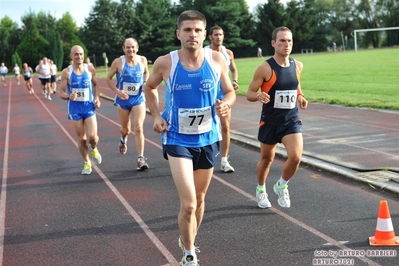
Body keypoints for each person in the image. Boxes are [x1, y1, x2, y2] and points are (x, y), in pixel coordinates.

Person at [145, 10, 236, 266]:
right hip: (177, 138)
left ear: (204, 34)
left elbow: (229, 92)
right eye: (187, 30)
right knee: (189, 204)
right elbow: (149, 87)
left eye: (197, 30)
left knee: (201, 199)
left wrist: (226, 105)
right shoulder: (166, 62)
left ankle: (189, 237)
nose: (192, 34)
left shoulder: (217, 60)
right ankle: (189, 254)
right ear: (178, 34)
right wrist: (155, 115)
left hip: (208, 138)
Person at [246, 26, 308, 209]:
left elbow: (296, 86)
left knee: (296, 157)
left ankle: (281, 185)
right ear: (273, 43)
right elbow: (249, 92)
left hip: (291, 121)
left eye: (289, 40)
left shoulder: (297, 65)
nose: (286, 44)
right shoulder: (265, 68)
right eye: (282, 40)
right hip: (270, 122)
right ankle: (260, 189)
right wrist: (258, 96)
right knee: (266, 160)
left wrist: (300, 97)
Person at [106, 38, 150, 171]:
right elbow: (108, 79)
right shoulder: (118, 62)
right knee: (126, 129)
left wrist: (145, 81)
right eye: (128, 47)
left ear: (137, 48)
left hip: (138, 98)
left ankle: (140, 159)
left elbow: (146, 72)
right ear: (123, 49)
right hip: (123, 100)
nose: (130, 50)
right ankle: (123, 139)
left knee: (138, 127)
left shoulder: (142, 60)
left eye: (133, 47)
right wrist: (117, 91)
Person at [59, 45, 102, 175]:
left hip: (88, 107)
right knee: (82, 139)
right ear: (71, 56)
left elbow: (96, 85)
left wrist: (97, 98)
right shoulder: (67, 72)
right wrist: (68, 96)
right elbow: (60, 92)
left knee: (92, 137)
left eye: (81, 54)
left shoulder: (90, 69)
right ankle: (87, 162)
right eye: (76, 54)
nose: (79, 56)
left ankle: (94, 148)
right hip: (75, 109)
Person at [205, 25, 239, 173]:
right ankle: (204, 157)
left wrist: (235, 81)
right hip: (207, 96)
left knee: (225, 127)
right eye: (216, 35)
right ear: (210, 37)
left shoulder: (228, 53)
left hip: (223, 95)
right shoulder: (204, 53)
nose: (219, 37)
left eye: (221, 34)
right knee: (205, 127)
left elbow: (233, 69)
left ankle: (224, 160)